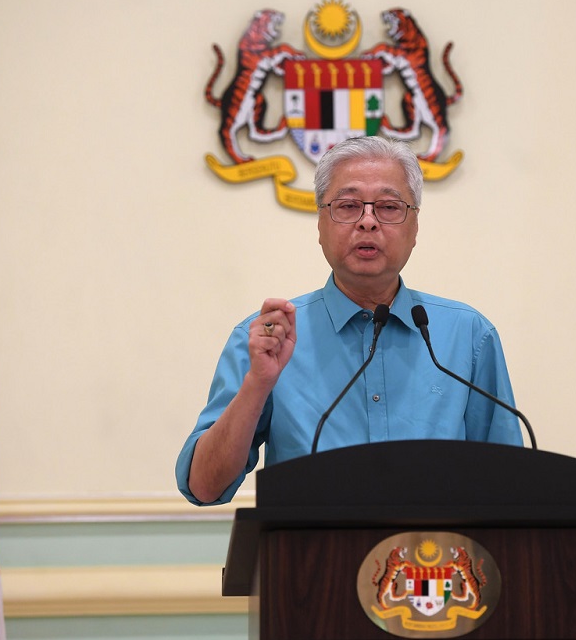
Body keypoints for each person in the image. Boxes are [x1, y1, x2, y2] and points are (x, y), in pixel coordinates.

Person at [176, 136, 522, 505]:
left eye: (389, 207)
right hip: (311, 559)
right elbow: (205, 487)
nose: (368, 222)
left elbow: (511, 485)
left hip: (432, 560)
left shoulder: (467, 336)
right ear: (321, 224)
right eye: (348, 206)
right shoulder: (269, 339)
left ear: (415, 226)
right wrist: (258, 384)